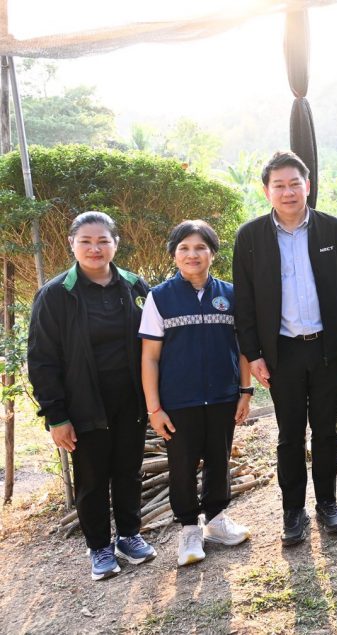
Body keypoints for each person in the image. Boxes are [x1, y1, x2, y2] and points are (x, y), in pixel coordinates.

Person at [233, 151, 337, 546]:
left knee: (326, 431)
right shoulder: (251, 237)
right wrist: (254, 353)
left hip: (328, 348)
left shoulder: (332, 230)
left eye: (295, 183)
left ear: (307, 185)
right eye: (279, 185)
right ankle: (293, 512)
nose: (288, 192)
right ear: (267, 191)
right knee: (290, 434)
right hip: (282, 353)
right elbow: (245, 303)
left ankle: (328, 503)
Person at [27, 211, 156, 580]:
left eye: (103, 241)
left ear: (116, 244)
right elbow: (42, 360)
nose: (95, 248)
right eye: (86, 241)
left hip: (131, 401)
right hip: (83, 405)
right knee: (92, 478)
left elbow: (155, 342)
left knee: (129, 471)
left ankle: (129, 535)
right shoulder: (56, 294)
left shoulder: (135, 286)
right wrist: (56, 416)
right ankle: (99, 546)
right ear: (72, 244)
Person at [139, 220, 253, 566]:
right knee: (182, 465)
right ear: (174, 254)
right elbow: (150, 357)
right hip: (178, 401)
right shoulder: (160, 298)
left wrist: (245, 390)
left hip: (223, 396)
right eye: (184, 248)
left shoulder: (231, 295)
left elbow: (243, 347)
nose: (193, 254)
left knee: (219, 458)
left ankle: (216, 521)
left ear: (212, 254)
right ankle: (189, 529)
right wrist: (154, 409)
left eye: (201, 247)